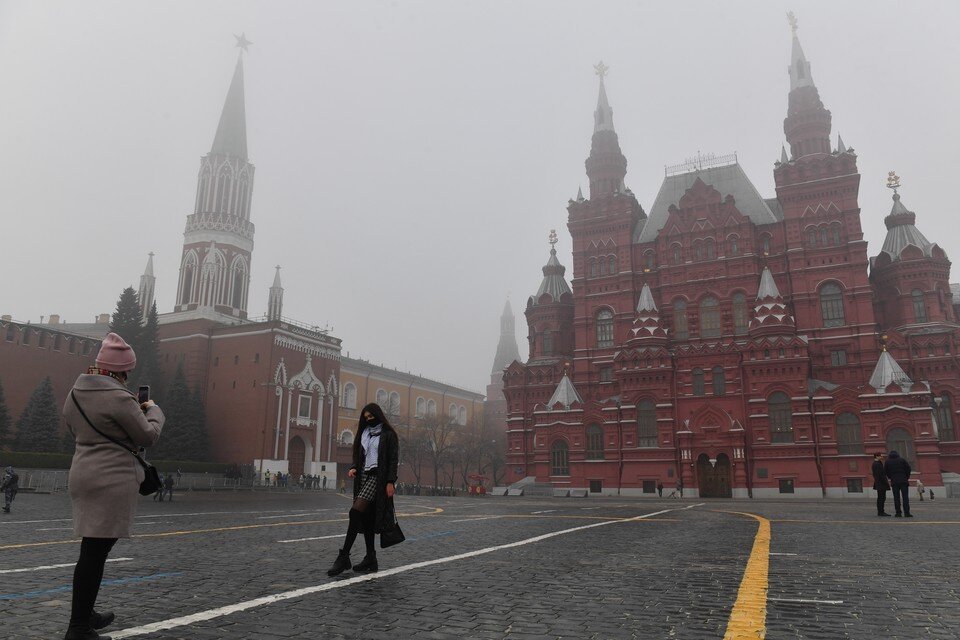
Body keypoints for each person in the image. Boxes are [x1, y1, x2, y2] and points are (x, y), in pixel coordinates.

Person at [61, 332, 165, 640]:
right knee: (95, 552)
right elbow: (147, 436)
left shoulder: (76, 392)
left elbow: (73, 426)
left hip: (82, 473)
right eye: (127, 370)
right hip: (110, 480)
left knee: (91, 548)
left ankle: (85, 613)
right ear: (120, 370)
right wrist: (155, 412)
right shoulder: (119, 397)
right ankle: (78, 628)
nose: (128, 374)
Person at [327, 402, 399, 577]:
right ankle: (371, 558)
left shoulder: (389, 435)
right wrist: (354, 467)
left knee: (355, 511)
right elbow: (360, 456)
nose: (369, 420)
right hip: (363, 477)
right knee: (367, 518)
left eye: (371, 416)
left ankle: (344, 556)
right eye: (366, 418)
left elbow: (392, 459)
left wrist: (390, 481)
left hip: (378, 478)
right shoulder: (364, 434)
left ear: (378, 415)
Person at [884, 450, 912, 518]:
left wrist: (890, 477)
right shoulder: (902, 460)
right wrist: (906, 477)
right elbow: (908, 468)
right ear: (897, 454)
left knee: (896, 498)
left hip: (894, 482)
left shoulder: (888, 461)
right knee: (905, 498)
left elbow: (885, 471)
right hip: (903, 481)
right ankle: (907, 513)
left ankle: (898, 513)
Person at [871, 452, 891, 516]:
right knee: (881, 498)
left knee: (881, 498)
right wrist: (885, 482)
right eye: (880, 456)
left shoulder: (877, 463)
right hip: (880, 483)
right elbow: (880, 475)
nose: (882, 457)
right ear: (877, 456)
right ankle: (881, 512)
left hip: (880, 483)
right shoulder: (876, 464)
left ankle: (881, 511)